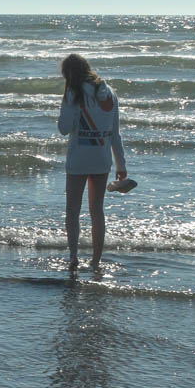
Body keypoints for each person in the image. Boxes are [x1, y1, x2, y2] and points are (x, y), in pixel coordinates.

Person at [56, 54, 128, 272]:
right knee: (97, 211)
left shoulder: (73, 93)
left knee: (73, 211)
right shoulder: (110, 94)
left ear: (69, 74)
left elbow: (63, 128)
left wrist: (66, 105)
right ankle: (96, 260)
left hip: (78, 158)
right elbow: (115, 134)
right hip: (101, 159)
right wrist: (121, 165)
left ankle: (73, 257)